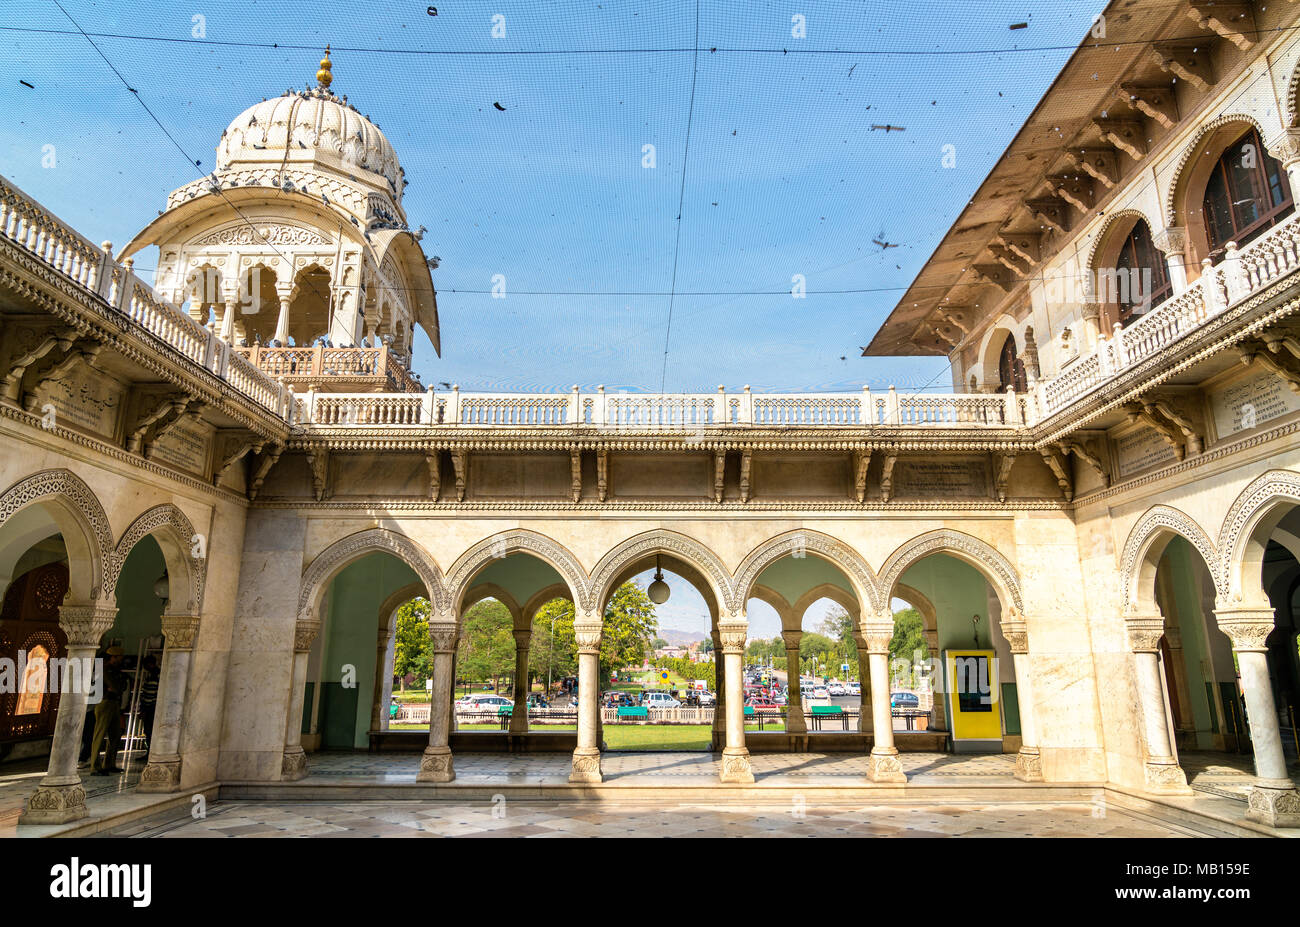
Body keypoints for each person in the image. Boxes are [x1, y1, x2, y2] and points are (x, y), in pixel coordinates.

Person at [85, 646, 128, 775]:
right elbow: (115, 686)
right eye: (119, 657)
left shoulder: (116, 670)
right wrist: (117, 687)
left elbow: (123, 686)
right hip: (104, 702)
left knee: (115, 734)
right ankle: (95, 766)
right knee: (100, 734)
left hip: (115, 702)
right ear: (113, 657)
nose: (120, 660)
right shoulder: (104, 669)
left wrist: (118, 687)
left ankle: (109, 764)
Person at [138, 655, 160, 749]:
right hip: (150, 707)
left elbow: (149, 695)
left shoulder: (154, 676)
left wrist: (144, 710)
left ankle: (149, 752)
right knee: (149, 731)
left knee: (149, 730)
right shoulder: (155, 675)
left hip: (150, 708)